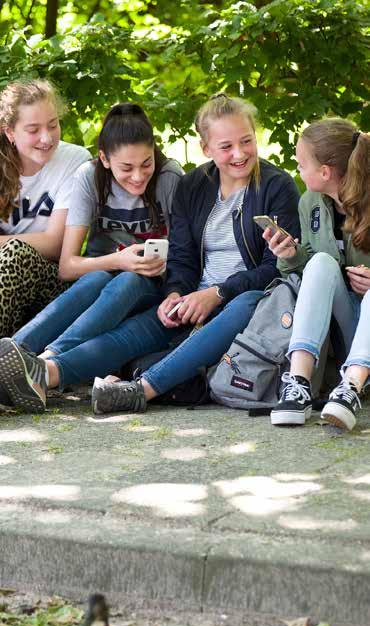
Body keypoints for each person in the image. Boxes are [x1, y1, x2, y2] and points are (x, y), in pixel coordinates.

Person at [0, 94, 299, 414]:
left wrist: (217, 293)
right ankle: (41, 374)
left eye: (246, 141)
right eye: (226, 147)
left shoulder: (276, 186)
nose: (239, 154)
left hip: (238, 302)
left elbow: (274, 270)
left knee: (247, 301)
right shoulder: (195, 185)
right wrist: (175, 292)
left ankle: (140, 389)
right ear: (206, 149)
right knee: (131, 333)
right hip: (193, 300)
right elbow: (183, 259)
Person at [12, 102, 183, 359]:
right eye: (126, 168)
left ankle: (47, 360)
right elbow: (67, 266)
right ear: (104, 158)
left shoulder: (169, 176)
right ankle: (14, 349)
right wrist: (119, 260)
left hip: (149, 286)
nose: (138, 176)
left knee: (127, 279)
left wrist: (145, 265)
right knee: (99, 278)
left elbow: (185, 255)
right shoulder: (89, 177)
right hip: (98, 278)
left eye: (146, 164)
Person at [265, 118, 370, 431]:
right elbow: (310, 268)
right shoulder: (309, 203)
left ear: (324, 172)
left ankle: (351, 388)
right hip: (345, 329)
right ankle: (298, 384)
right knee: (321, 262)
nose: (297, 170)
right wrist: (291, 255)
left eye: (300, 164)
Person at [0, 78, 90, 336]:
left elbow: (55, 244)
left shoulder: (75, 161)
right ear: (10, 132)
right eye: (33, 129)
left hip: (50, 283)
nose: (46, 138)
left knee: (16, 253)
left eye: (53, 125)